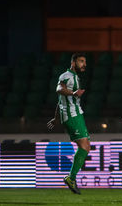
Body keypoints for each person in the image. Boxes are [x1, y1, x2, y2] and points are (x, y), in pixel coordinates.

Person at [47, 52, 90, 195]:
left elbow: (60, 100)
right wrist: (73, 93)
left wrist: (56, 117)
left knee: (86, 146)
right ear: (73, 63)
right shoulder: (66, 75)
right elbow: (59, 89)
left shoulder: (75, 77)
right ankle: (71, 178)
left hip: (77, 114)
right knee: (84, 147)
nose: (84, 64)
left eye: (84, 61)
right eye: (81, 61)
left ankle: (71, 178)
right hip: (72, 115)